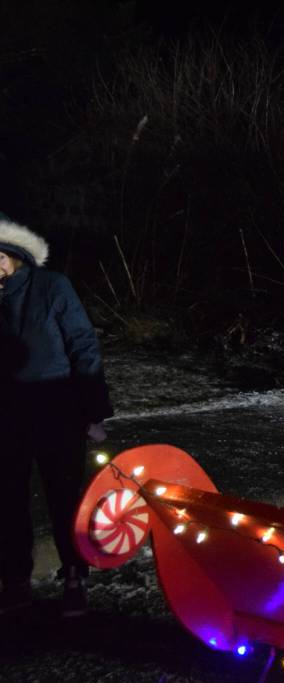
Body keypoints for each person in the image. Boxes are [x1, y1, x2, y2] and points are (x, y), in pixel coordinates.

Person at [0, 214, 113, 618]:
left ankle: (74, 577)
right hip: (7, 416)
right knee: (8, 502)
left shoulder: (52, 287)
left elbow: (82, 343)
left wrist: (93, 408)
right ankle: (14, 580)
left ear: (9, 255)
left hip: (57, 410)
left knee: (64, 498)